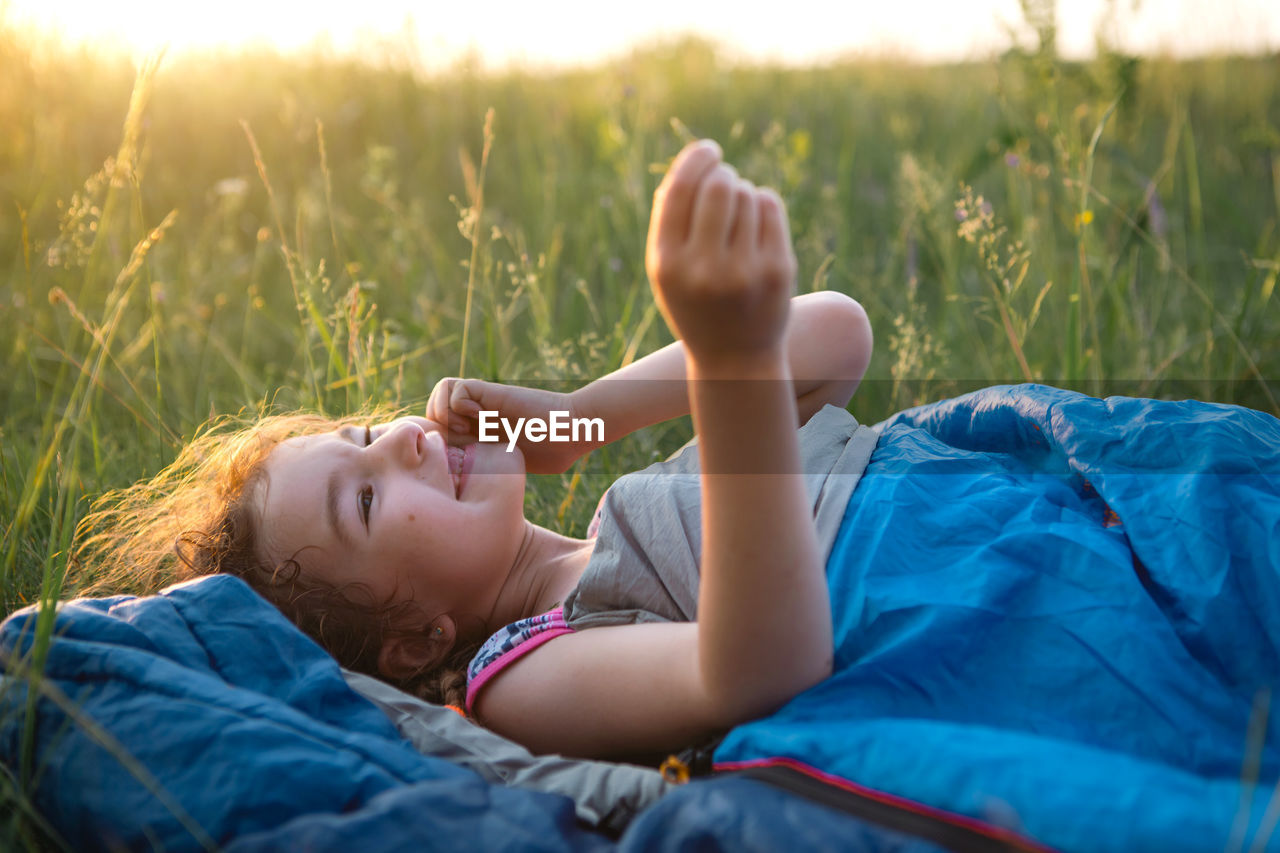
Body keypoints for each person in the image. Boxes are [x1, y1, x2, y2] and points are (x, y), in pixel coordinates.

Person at [77, 139, 875, 760]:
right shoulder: (524, 675)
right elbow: (759, 670)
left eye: (363, 435)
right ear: (418, 637)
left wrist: (582, 417)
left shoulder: (629, 509)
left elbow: (834, 336)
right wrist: (728, 367)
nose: (402, 437)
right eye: (365, 498)